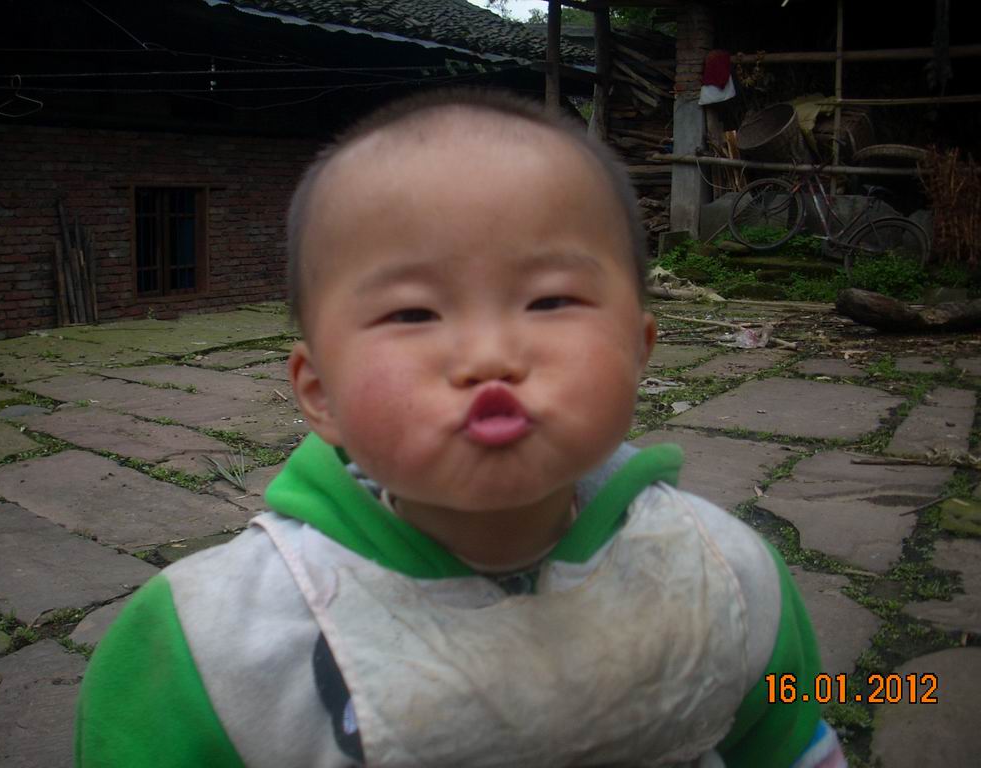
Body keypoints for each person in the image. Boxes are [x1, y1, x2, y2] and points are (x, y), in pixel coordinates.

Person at [75, 89, 845, 768]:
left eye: (550, 301)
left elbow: (788, 744)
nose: (488, 356)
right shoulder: (206, 649)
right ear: (319, 393)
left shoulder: (726, 577)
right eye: (413, 312)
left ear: (639, 350)